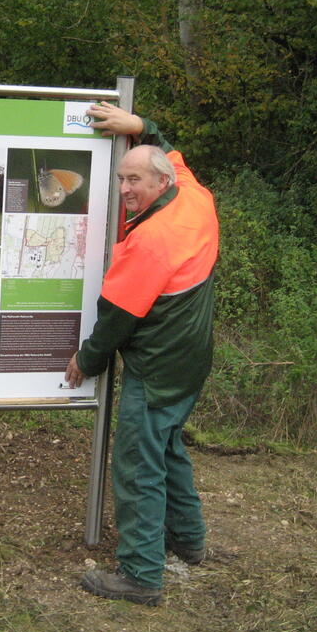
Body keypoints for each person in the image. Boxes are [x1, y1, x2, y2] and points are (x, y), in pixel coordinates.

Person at [65, 101, 218, 606]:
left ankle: (141, 574)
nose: (126, 189)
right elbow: (171, 153)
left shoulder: (150, 240)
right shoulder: (194, 197)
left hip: (157, 370)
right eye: (122, 179)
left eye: (135, 181)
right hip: (192, 361)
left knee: (136, 465)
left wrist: (86, 360)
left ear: (160, 184)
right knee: (168, 449)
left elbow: (115, 318)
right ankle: (189, 542)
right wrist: (143, 127)